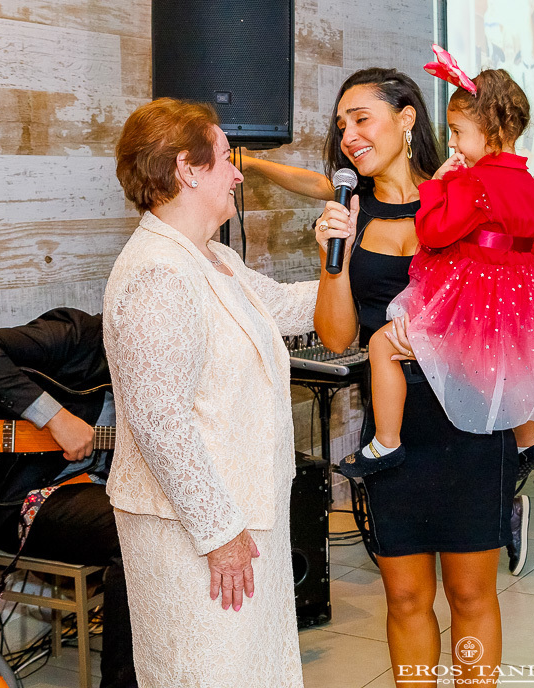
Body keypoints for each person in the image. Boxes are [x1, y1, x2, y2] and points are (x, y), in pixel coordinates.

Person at [103, 98, 317, 688]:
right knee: (206, 672)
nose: (238, 173)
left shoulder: (211, 256)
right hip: (193, 534)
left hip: (243, 514)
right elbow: (159, 423)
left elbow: (286, 308)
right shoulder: (157, 273)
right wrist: (219, 533)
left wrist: (357, 268)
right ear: (187, 169)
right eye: (225, 157)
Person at [313, 67, 515, 686]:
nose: (348, 135)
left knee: (470, 595)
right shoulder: (351, 214)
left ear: (406, 119)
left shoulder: (462, 193)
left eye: (361, 118)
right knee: (404, 598)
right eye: (341, 125)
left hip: (470, 421)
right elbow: (337, 338)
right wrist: (332, 259)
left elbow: (506, 309)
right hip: (393, 433)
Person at [336, 47, 534, 483]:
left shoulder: (471, 182)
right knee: (515, 363)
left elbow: (433, 233)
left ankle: (386, 441)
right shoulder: (532, 186)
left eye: (458, 132)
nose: (451, 142)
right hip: (523, 299)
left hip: (472, 297)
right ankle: (526, 442)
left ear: (490, 131)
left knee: (383, 345)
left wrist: (436, 187)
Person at [0, 308, 137, 688]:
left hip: (93, 489)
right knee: (135, 529)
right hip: (19, 499)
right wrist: (56, 419)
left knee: (166, 518)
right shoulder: (79, 335)